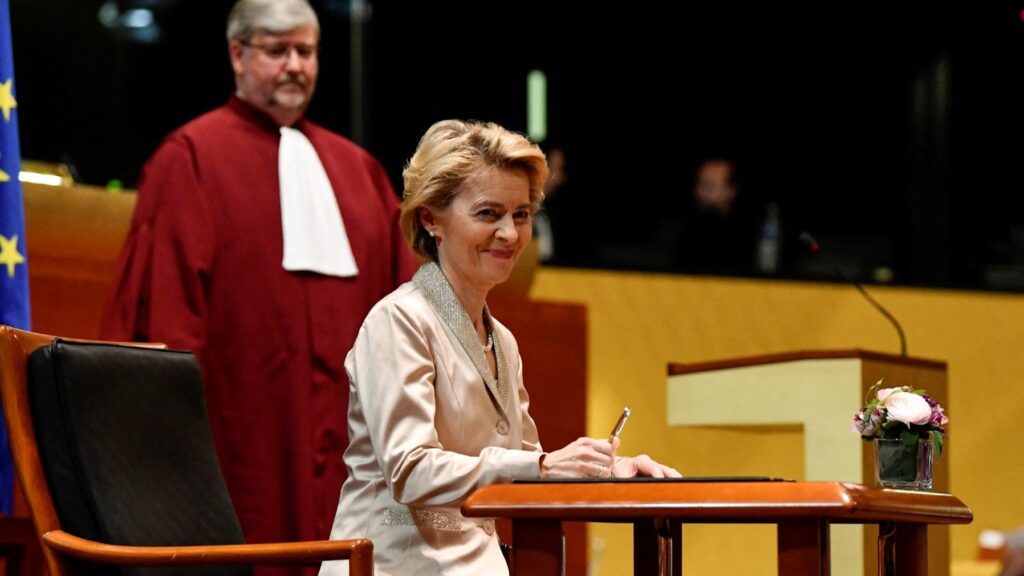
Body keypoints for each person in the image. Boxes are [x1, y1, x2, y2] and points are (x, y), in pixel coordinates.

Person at [101, 0, 417, 570]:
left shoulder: (360, 174)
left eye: (307, 51)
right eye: (277, 51)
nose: (295, 65)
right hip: (237, 448)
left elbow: (410, 316)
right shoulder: (191, 159)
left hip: (350, 460)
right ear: (237, 55)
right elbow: (164, 330)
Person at [319, 120, 680, 576]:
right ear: (431, 219)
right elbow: (411, 471)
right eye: (489, 214)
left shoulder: (502, 341)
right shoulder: (398, 320)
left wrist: (611, 471)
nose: (510, 233)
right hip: (393, 564)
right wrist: (545, 465)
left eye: (522, 214)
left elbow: (530, 465)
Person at [672, 157, 757, 274]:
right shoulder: (679, 227)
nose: (698, 192)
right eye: (698, 184)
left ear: (731, 191)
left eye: (708, 186)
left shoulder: (748, 232)